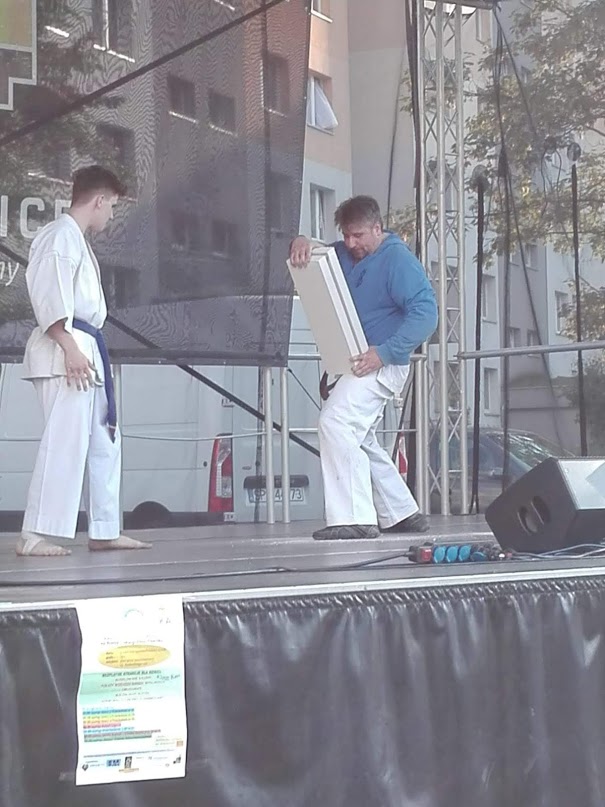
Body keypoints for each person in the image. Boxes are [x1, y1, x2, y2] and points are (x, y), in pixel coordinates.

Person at [16, 165, 151, 556]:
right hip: (65, 349)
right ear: (99, 200)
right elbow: (48, 295)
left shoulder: (76, 239)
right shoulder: (59, 236)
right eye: (112, 206)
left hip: (84, 348)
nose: (111, 214)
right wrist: (69, 346)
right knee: (65, 441)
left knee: (104, 440)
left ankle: (104, 528)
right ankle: (33, 534)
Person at [289, 195, 437, 540]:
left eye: (358, 235)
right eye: (346, 235)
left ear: (377, 228)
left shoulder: (398, 260)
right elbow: (321, 253)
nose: (351, 243)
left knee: (336, 423)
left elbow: (427, 315)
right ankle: (401, 511)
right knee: (359, 436)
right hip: (364, 362)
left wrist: (384, 353)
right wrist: (301, 241)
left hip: (381, 363)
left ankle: (354, 517)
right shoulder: (347, 253)